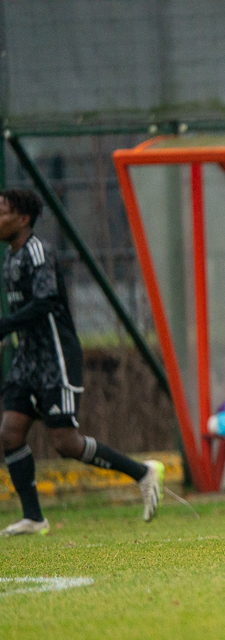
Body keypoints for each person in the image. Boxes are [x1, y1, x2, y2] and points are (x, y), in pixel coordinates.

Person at [0, 188, 164, 536]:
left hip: (56, 357)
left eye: (2, 211)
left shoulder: (38, 251)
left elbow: (45, 301)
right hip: (28, 359)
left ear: (23, 218)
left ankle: (142, 473)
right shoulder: (11, 256)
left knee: (65, 443)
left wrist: (6, 325)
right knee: (10, 434)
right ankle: (34, 518)